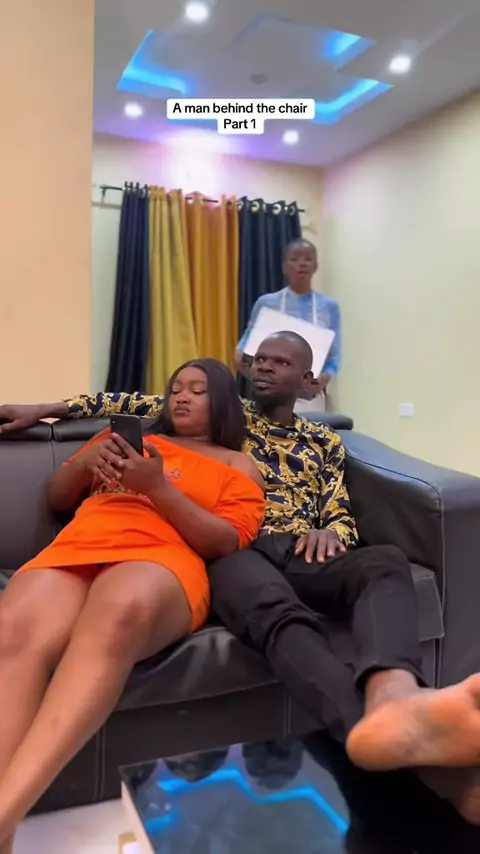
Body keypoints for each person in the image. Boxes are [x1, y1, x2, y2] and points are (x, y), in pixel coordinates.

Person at [2, 336, 480, 822]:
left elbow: (338, 505)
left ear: (308, 380)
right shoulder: (224, 415)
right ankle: (381, 739)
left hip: (300, 547)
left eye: (280, 362)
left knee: (385, 561)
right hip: (241, 553)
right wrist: (46, 409)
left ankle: (395, 695)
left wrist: (331, 532)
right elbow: (122, 403)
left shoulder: (322, 441)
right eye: (259, 360)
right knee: (278, 616)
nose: (265, 368)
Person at [0, 358, 265, 853]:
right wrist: (85, 465)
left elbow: (227, 541)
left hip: (162, 558)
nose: (181, 396)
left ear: (225, 402)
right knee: (12, 629)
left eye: (198, 390)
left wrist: (157, 488)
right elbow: (57, 497)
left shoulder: (237, 464)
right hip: (81, 546)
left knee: (116, 612)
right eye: (176, 388)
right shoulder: (127, 439)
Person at [235, 238, 341, 411]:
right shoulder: (267, 303)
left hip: (309, 397)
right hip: (269, 395)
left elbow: (335, 355)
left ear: (315, 266)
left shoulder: (329, 307)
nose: (302, 264)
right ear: (284, 267)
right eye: (295, 259)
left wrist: (324, 378)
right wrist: (249, 367)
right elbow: (245, 348)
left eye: (308, 259)